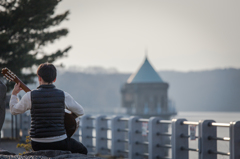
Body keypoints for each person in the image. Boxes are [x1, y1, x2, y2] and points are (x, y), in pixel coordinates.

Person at [9, 63, 87, 154]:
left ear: (39, 77)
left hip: (37, 143)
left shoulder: (30, 96)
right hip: (60, 142)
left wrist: (14, 94)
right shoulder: (63, 95)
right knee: (82, 150)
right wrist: (63, 111)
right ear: (54, 79)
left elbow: (14, 110)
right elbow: (81, 111)